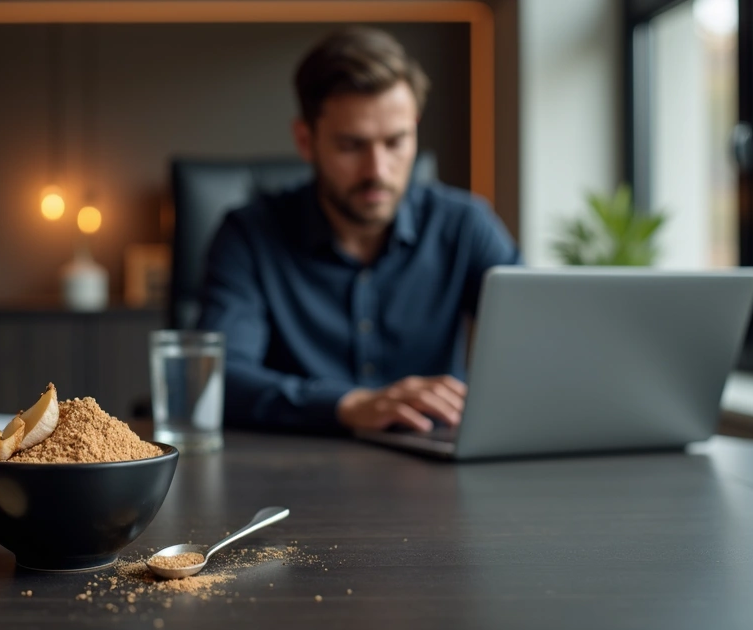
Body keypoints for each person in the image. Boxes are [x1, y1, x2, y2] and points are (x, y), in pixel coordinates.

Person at [196, 26, 521, 435]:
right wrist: (347, 404)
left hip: (438, 473)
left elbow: (536, 344)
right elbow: (219, 379)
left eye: (396, 142)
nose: (377, 171)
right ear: (305, 140)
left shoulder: (465, 225)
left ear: (415, 130)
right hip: (292, 478)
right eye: (352, 146)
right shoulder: (248, 236)